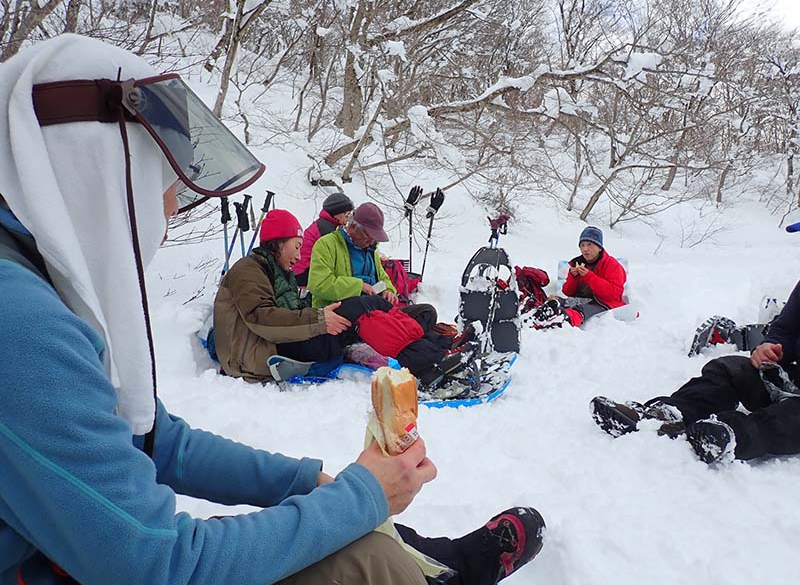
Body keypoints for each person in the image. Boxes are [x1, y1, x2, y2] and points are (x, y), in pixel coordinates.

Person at [0, 35, 545, 584]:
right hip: (257, 358)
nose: (167, 213)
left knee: (349, 515)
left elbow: (160, 441)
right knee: (367, 561)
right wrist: (358, 493)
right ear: (92, 173)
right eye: (157, 186)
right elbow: (159, 564)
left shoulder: (47, 292)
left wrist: (312, 484)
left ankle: (439, 558)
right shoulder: (22, 327)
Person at [214, 208, 475, 390]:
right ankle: (429, 366)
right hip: (264, 352)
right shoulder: (248, 270)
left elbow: (289, 307)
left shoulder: (276, 271)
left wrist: (387, 291)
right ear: (277, 242)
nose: (298, 255)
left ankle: (439, 346)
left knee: (415, 311)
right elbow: (262, 319)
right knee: (360, 306)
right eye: (296, 246)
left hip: (295, 335)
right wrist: (320, 316)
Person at [591, 280, 800, 464]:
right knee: (729, 368)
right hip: (792, 379)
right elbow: (785, 328)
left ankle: (730, 435)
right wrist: (769, 346)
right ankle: (668, 414)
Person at [529, 226, 627, 328]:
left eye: (590, 244)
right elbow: (567, 292)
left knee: (579, 310)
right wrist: (573, 277)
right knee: (557, 300)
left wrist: (589, 276)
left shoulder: (612, 265)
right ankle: (544, 313)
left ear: (599, 247)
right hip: (582, 299)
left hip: (603, 303)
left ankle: (562, 318)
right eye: (582, 245)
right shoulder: (577, 263)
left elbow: (614, 294)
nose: (585, 249)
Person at [308, 201, 399, 308]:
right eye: (367, 236)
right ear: (352, 227)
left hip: (372, 307)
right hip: (339, 312)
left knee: (420, 313)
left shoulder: (370, 250)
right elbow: (319, 284)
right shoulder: (326, 245)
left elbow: (383, 278)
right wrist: (359, 286)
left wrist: (388, 290)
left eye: (374, 238)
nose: (370, 242)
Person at [293, 191, 354, 286]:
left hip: (302, 270)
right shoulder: (326, 229)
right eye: (346, 214)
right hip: (304, 273)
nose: (347, 218)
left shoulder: (324, 223)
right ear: (336, 213)